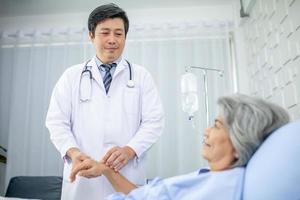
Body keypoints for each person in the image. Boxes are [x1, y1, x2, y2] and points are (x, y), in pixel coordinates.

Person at [45, 3, 164, 200]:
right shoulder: (71, 76)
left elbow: (154, 121)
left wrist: (130, 150)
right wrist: (73, 153)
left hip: (125, 177)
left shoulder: (142, 76)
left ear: (125, 37)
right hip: (82, 180)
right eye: (105, 32)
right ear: (91, 35)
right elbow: (56, 122)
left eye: (118, 34)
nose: (112, 40)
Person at [69, 94, 290, 200]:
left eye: (216, 125)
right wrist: (106, 170)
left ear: (239, 142)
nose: (206, 131)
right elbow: (146, 195)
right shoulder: (211, 177)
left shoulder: (221, 187)